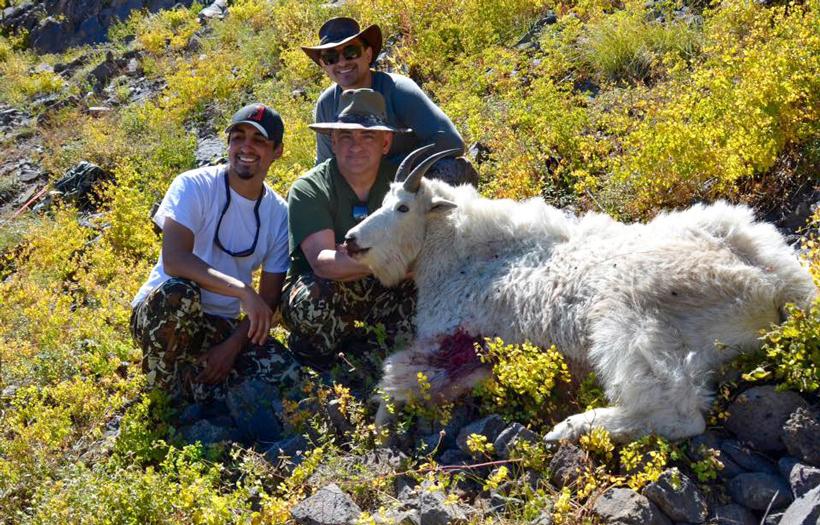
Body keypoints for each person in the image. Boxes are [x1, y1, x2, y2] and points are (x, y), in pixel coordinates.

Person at [130, 103, 299, 403]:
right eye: (238, 137)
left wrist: (231, 347)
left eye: (259, 140)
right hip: (166, 310)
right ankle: (166, 400)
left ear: (278, 152)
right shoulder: (193, 185)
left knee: (286, 374)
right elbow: (175, 259)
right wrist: (243, 291)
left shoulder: (278, 214)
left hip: (221, 323)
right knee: (179, 293)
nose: (246, 147)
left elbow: (268, 299)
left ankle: (198, 377)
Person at [280, 89, 416, 371]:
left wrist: (354, 257)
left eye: (368, 136)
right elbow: (324, 264)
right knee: (311, 304)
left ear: (386, 142)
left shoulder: (404, 188)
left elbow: (422, 251)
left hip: (385, 288)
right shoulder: (310, 189)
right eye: (345, 137)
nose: (356, 146)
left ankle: (369, 349)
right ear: (332, 141)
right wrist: (391, 258)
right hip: (330, 290)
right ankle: (319, 360)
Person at [301, 17, 477, 186]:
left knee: (450, 169)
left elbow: (449, 140)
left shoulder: (399, 90)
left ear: (368, 54)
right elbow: (325, 164)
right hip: (358, 189)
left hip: (408, 186)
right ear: (323, 65)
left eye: (350, 52)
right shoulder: (326, 104)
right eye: (331, 58)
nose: (341, 63)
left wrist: (392, 170)